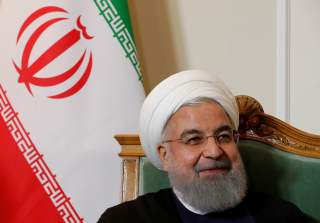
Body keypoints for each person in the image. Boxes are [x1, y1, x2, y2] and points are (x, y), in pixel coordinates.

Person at [98, 70, 315, 223]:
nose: (214, 151)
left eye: (223, 136)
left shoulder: (283, 217)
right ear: (165, 156)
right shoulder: (125, 219)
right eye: (193, 139)